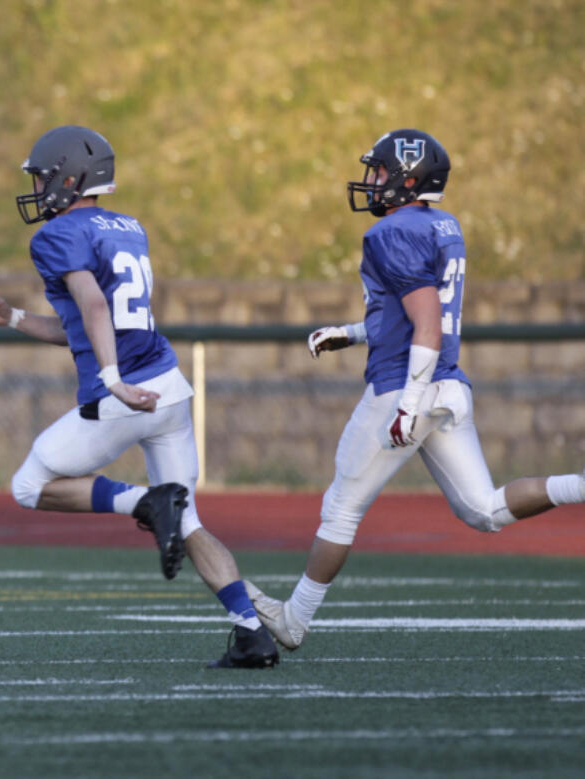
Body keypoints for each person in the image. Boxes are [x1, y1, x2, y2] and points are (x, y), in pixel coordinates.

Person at [246, 128, 585, 651]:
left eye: (379, 172)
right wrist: (353, 332)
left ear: (408, 179)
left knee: (341, 508)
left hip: (406, 388)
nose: (371, 182)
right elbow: (417, 317)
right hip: (449, 387)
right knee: (484, 511)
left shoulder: (391, 233)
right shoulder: (443, 224)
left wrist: (407, 404)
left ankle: (294, 620)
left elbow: (426, 322)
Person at [0, 125, 279, 669]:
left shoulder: (55, 235)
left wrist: (111, 380)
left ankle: (142, 503)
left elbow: (93, 307)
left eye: (44, 180)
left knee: (28, 485)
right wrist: (11, 317)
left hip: (125, 392)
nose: (39, 192)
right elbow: (79, 325)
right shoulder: (128, 227)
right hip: (168, 387)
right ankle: (252, 632)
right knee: (189, 520)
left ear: (70, 178)